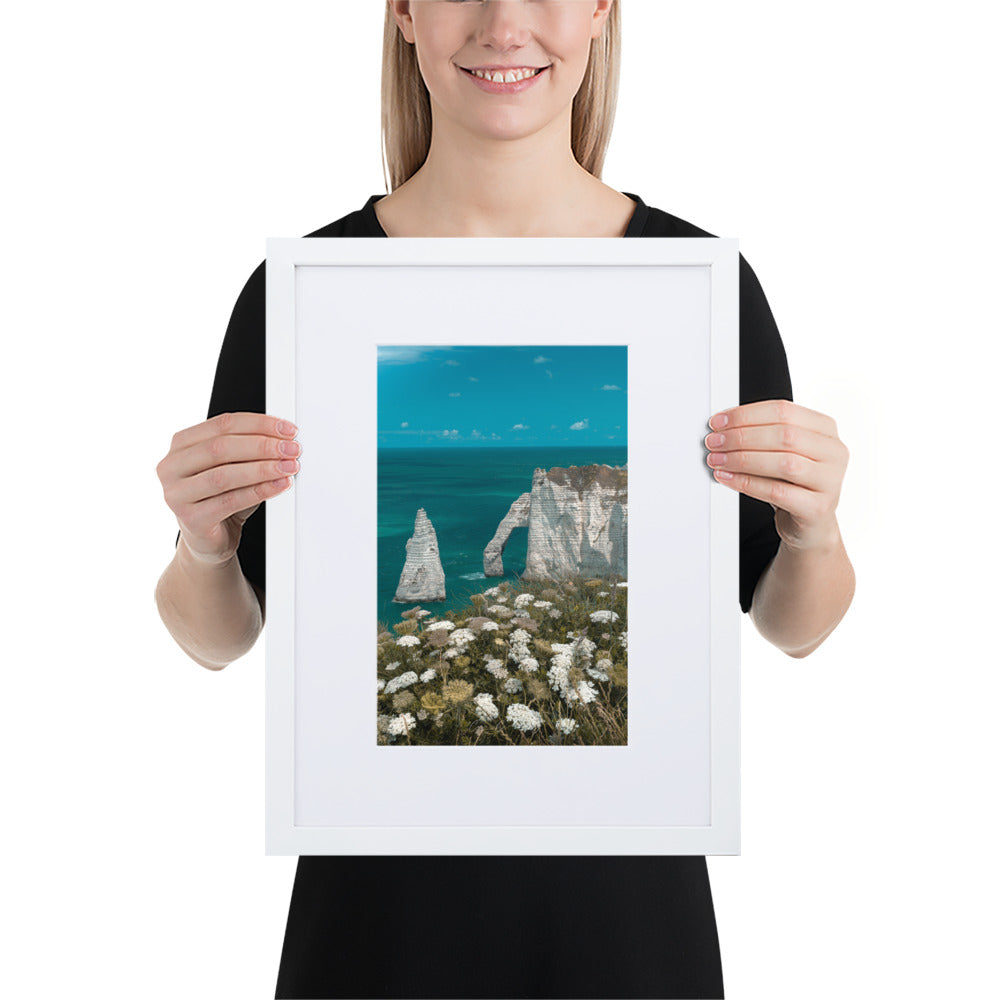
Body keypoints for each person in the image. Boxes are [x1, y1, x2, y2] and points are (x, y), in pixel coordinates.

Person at [155, 2, 855, 997]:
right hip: (373, 927)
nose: (503, 21)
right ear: (402, 12)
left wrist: (812, 527)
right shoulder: (304, 297)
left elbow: (792, 624)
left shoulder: (698, 292)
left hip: (627, 924)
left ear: (603, 10)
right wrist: (204, 543)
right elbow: (218, 637)